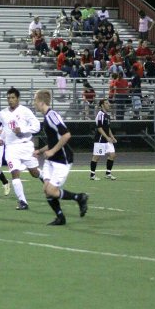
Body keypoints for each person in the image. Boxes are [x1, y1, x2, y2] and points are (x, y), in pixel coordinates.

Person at [33, 89, 88, 226]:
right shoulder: (47, 117)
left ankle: (79, 197)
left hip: (62, 159)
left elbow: (66, 135)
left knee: (52, 190)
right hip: (52, 159)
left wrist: (52, 152)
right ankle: (60, 218)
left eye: (35, 100)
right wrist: (40, 151)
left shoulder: (52, 116)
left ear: (40, 102)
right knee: (46, 190)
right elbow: (53, 141)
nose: (34, 103)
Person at [0, 87, 42, 210]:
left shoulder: (25, 111)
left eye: (13, 98)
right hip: (11, 148)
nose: (10, 100)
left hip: (25, 146)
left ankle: (45, 179)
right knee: (15, 173)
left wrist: (22, 130)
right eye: (8, 98)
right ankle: (23, 201)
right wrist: (1, 138)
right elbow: (5, 129)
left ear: (18, 99)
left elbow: (37, 126)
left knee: (35, 173)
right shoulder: (3, 113)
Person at [89, 99, 117, 181]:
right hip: (100, 139)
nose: (109, 104)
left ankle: (108, 173)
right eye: (106, 103)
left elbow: (107, 128)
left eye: (108, 103)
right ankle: (92, 175)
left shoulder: (107, 115)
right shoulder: (100, 114)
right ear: (102, 105)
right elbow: (99, 128)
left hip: (107, 139)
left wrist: (112, 137)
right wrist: (107, 137)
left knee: (112, 155)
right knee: (96, 157)